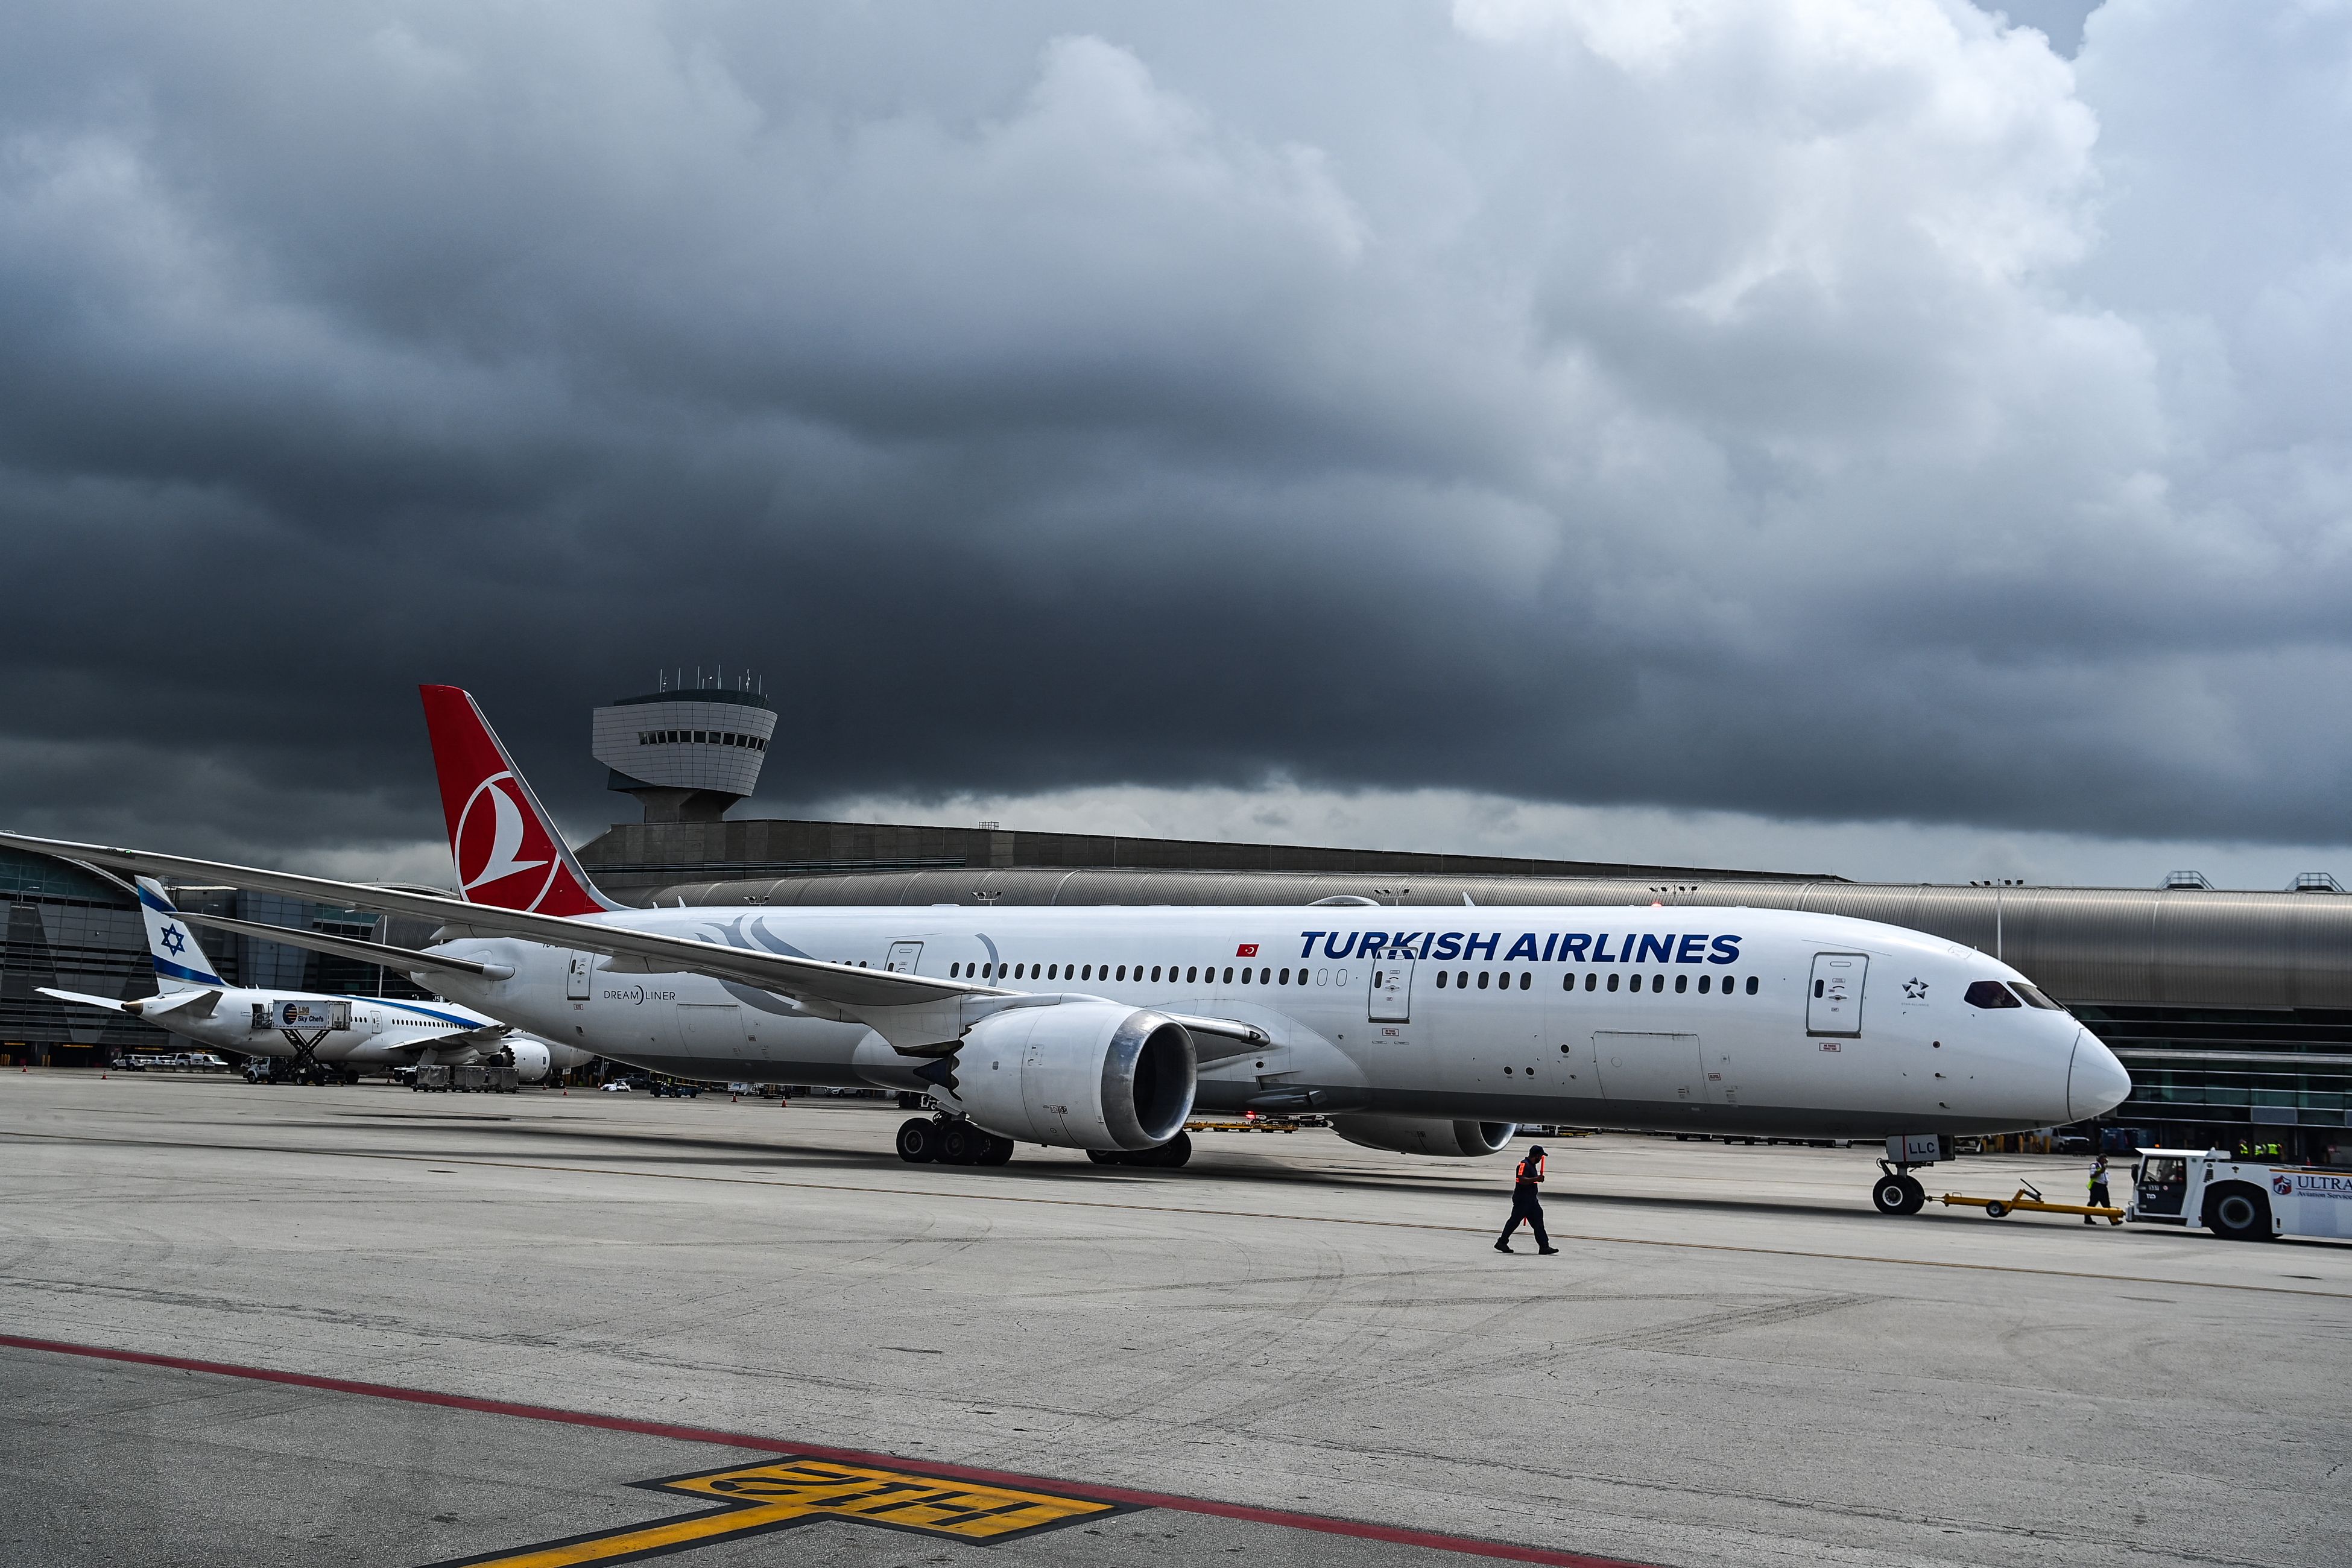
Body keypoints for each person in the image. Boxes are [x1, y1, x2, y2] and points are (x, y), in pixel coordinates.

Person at [1496, 1144, 1559, 1254]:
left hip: (1531, 1201)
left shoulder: (1532, 1166)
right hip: (1522, 1200)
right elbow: (1521, 1180)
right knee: (1514, 1222)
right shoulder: (1523, 1165)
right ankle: (1502, 1242)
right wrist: (1537, 1179)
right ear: (1537, 1156)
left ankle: (1544, 1246)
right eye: (1541, 1157)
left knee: (1538, 1222)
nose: (1541, 1159)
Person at [2085, 1153, 2111, 1224]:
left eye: (2106, 1159)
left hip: (2103, 1187)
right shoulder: (2094, 1166)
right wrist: (2100, 1171)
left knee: (2107, 1204)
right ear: (2099, 1159)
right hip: (2096, 1187)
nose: (2105, 1160)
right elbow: (2092, 1176)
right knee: (2092, 1203)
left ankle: (2113, 1220)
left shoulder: (2104, 1167)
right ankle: (2087, 1219)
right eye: (2103, 1159)